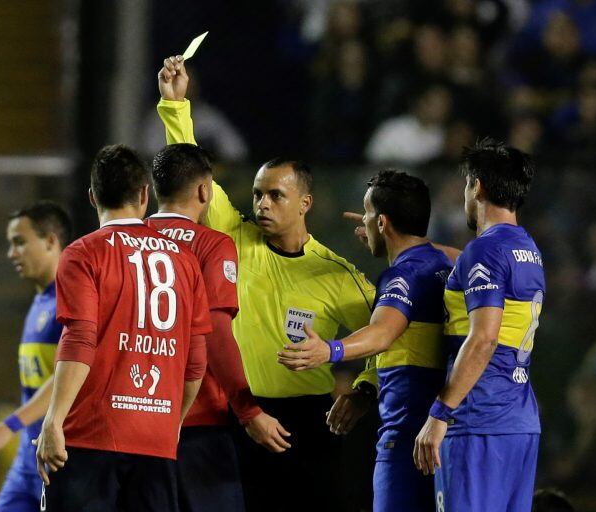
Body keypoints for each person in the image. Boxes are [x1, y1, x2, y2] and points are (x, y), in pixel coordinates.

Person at [157, 54, 375, 512]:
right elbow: (195, 177)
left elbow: (389, 337)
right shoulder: (233, 238)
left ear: (305, 203)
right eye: (258, 193)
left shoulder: (336, 275)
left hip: (310, 423)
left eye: (276, 195)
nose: (262, 203)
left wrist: (364, 390)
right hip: (239, 414)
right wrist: (176, 105)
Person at [36, 144, 212, 511]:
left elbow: (81, 339)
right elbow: (196, 360)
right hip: (156, 442)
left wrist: (53, 420)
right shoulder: (186, 261)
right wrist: (171, 421)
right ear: (144, 194)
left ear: (92, 197)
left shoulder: (84, 253)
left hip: (91, 438)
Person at [278, 170, 453, 511]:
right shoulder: (443, 263)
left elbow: (383, 332)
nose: (366, 222)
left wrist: (330, 349)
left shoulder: (403, 275)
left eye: (370, 214)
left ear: (384, 222)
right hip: (439, 436)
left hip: (405, 441)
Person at [145, 143, 290, 512]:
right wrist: (248, 410)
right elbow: (216, 335)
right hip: (199, 422)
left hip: (137, 420)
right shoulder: (212, 246)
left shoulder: (127, 244)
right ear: (204, 191)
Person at [414, 138, 544, 512]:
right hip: (518, 423)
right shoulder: (528, 249)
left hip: (477, 421)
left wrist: (440, 414)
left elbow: (484, 338)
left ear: (478, 186)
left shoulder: (484, 250)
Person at [0, 201, 71, 512]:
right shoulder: (40, 301)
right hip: (28, 453)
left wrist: (8, 425)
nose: (12, 254)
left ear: (51, 240)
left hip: (57, 458)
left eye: (20, 242)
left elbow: (67, 375)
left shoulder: (71, 299)